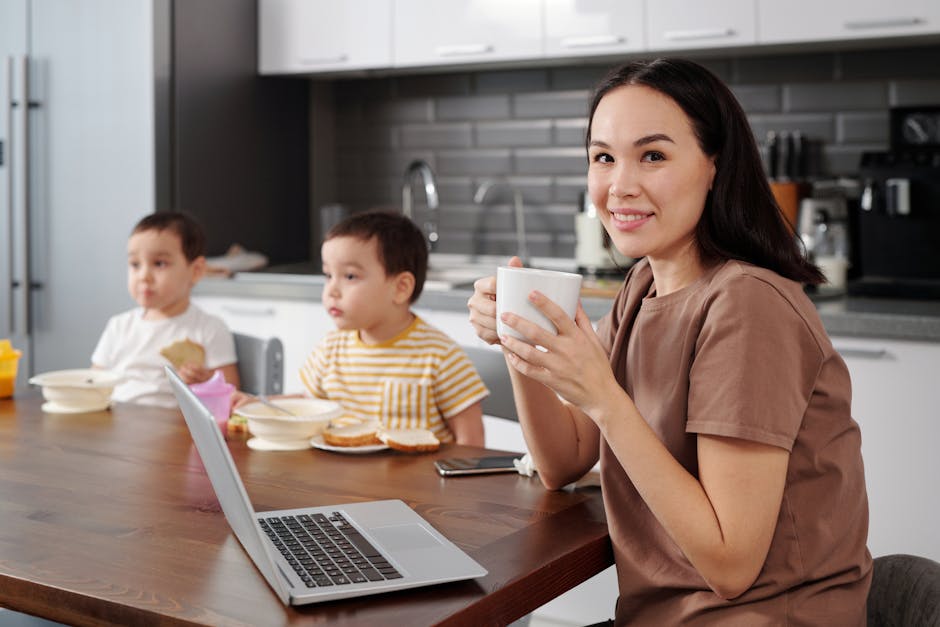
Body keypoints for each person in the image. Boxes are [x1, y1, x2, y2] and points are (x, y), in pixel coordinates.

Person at [467, 58, 871, 625]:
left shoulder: (747, 304)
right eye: (604, 157)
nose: (620, 186)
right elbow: (562, 462)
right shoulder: (644, 284)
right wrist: (523, 342)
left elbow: (731, 565)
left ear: (715, 165)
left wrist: (604, 397)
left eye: (653, 155)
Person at [297, 210, 486, 446]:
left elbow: (472, 443)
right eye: (328, 275)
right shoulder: (329, 350)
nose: (331, 291)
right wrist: (259, 404)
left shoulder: (441, 357)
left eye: (350, 276)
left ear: (401, 288)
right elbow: (306, 410)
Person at [92, 212, 239, 407]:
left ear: (195, 271)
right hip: (118, 423)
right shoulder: (118, 326)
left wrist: (206, 381)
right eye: (135, 264)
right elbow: (94, 383)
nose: (144, 276)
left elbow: (231, 394)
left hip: (176, 430)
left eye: (159, 263)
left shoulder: (209, 328)